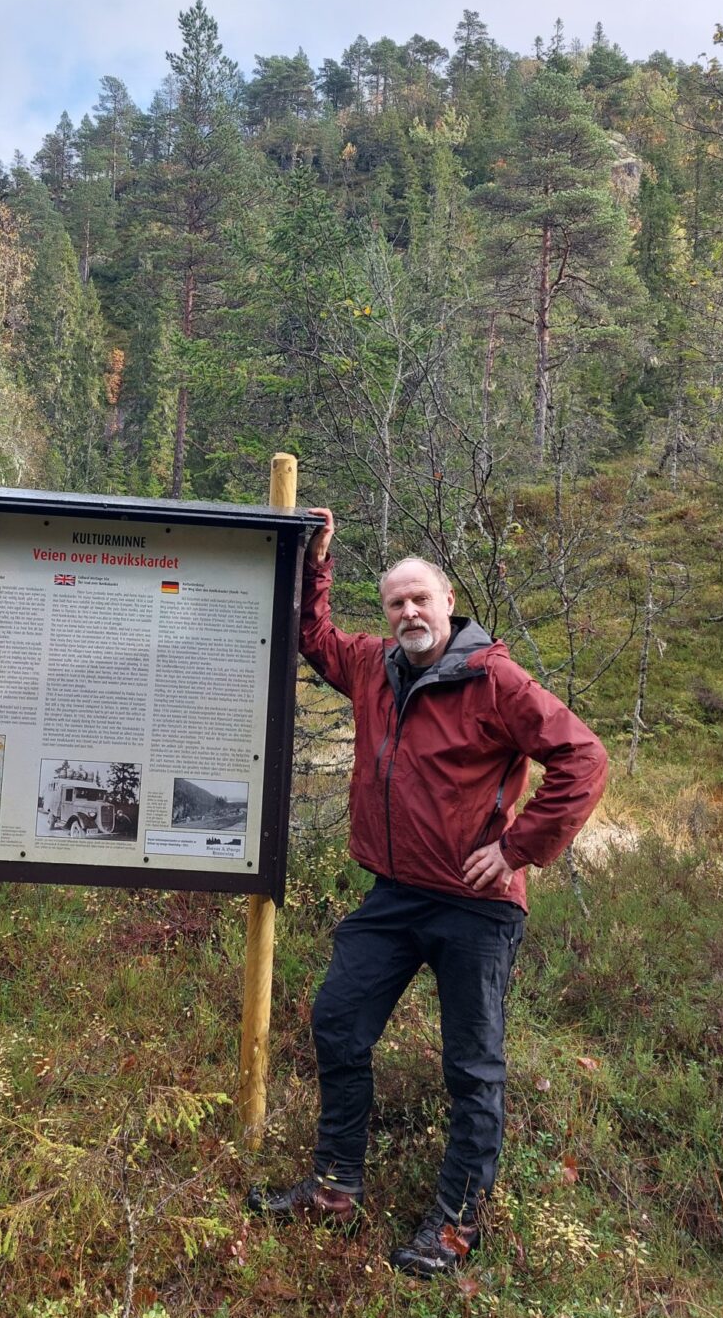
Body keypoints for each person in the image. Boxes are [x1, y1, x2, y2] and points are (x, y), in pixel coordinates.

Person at [248, 508, 608, 1277]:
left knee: (471, 1068)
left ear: (449, 603)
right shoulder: (377, 668)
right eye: (395, 603)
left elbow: (583, 757)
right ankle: (337, 1185)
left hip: (476, 908)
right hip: (395, 895)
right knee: (339, 1023)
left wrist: (516, 848)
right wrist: (319, 564)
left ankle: (455, 1226)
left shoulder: (493, 679)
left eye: (421, 600)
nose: (408, 613)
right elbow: (315, 642)